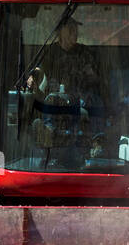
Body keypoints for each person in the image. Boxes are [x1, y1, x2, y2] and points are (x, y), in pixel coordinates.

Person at [25, 19, 115, 164]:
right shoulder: (49, 52)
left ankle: (97, 141)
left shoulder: (84, 51)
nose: (75, 33)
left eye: (76, 30)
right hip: (56, 96)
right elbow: (39, 69)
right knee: (51, 102)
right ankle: (48, 133)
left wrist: (90, 75)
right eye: (71, 29)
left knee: (93, 101)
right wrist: (32, 76)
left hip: (81, 95)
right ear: (60, 32)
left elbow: (95, 78)